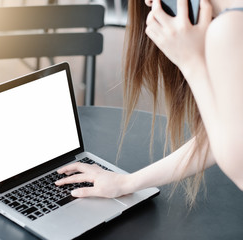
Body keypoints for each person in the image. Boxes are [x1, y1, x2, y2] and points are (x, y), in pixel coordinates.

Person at [55, 0, 243, 206]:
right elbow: (222, 133)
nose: (148, 2)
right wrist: (125, 183)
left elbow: (237, 165)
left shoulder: (230, 29)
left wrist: (191, 62)